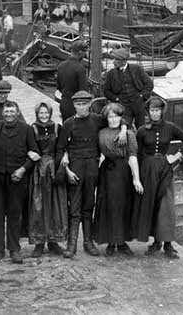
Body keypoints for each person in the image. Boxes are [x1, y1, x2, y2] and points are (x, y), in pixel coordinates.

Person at [58, 91, 127, 259]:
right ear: (74, 105)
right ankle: (71, 244)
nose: (81, 107)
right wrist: (67, 169)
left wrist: (124, 129)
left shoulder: (97, 120)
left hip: (92, 167)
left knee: (89, 205)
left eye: (84, 104)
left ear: (89, 104)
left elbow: (117, 117)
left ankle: (88, 242)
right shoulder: (68, 123)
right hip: (75, 167)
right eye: (78, 104)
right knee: (74, 207)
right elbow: (60, 148)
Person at [133, 96, 183, 259]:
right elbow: (137, 155)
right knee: (151, 204)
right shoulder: (141, 131)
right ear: (148, 112)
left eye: (157, 110)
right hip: (148, 169)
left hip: (165, 169)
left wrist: (176, 156)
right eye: (152, 110)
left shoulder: (170, 127)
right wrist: (136, 176)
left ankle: (168, 243)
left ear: (162, 111)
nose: (154, 114)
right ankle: (155, 242)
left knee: (166, 206)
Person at [0, 101, 38, 264]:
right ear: (3, 113)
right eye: (6, 111)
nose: (8, 114)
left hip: (18, 178)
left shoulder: (26, 129)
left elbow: (35, 153)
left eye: (12, 111)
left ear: (17, 113)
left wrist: (23, 169)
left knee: (15, 214)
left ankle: (14, 249)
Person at [93, 102, 143, 256]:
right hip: (106, 172)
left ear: (121, 118)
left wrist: (136, 179)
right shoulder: (101, 133)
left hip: (122, 172)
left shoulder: (128, 134)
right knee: (108, 206)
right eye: (110, 117)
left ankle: (121, 242)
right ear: (107, 118)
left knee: (122, 205)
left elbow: (133, 156)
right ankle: (111, 242)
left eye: (116, 117)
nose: (113, 119)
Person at [28, 102, 67, 258]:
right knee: (39, 205)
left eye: (46, 113)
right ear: (37, 114)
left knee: (55, 205)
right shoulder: (33, 128)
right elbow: (30, 147)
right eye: (41, 113)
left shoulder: (58, 127)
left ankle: (54, 241)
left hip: (54, 168)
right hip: (39, 170)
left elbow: (61, 147)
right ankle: (39, 241)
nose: (43, 116)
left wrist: (59, 168)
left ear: (50, 113)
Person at [102, 47, 154, 128]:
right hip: (123, 105)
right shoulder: (110, 74)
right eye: (114, 59)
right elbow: (106, 91)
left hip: (138, 103)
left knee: (141, 126)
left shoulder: (136, 69)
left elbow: (149, 84)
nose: (114, 62)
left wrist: (142, 96)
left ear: (124, 61)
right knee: (125, 126)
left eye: (117, 60)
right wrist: (116, 99)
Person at [55, 40, 88, 121]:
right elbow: (83, 92)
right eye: (85, 52)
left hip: (64, 103)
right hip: (75, 106)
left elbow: (58, 86)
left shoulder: (61, 66)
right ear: (80, 52)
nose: (85, 54)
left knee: (66, 128)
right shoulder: (81, 69)